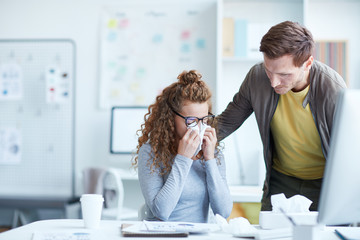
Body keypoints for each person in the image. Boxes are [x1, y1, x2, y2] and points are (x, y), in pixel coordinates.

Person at [217, 21, 346, 211]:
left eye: (284, 74)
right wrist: (184, 138)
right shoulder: (257, 77)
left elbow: (350, 153)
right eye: (269, 71)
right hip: (280, 181)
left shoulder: (333, 90)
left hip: (325, 184)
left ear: (307, 63)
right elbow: (226, 122)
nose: (274, 82)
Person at [133, 70, 232, 222]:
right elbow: (161, 212)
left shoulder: (213, 153)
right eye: (191, 121)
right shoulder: (151, 152)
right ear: (171, 118)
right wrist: (183, 158)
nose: (199, 128)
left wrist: (210, 159)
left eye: (204, 120)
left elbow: (223, 212)